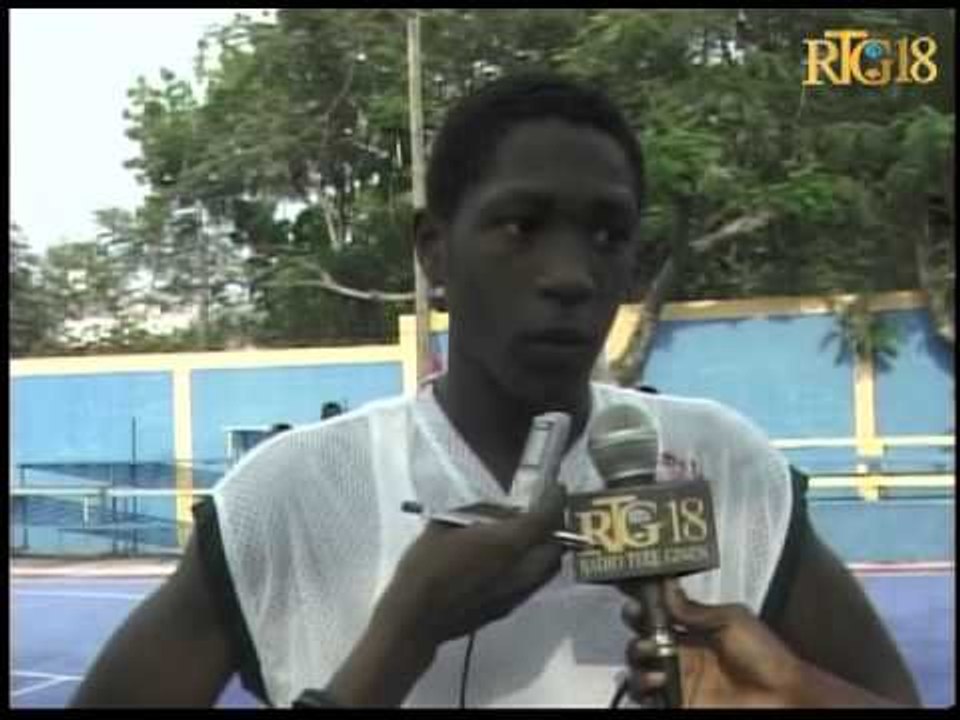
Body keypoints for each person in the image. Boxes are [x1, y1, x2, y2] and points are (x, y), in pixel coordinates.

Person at [70, 72, 920, 708]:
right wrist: (399, 642)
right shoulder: (290, 497)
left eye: (607, 233)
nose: (571, 274)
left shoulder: (726, 465)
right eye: (521, 226)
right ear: (434, 251)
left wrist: (798, 695)